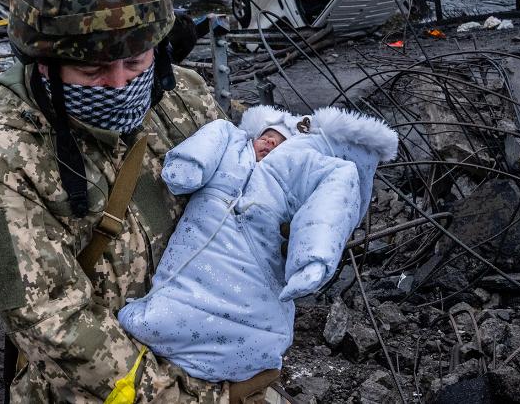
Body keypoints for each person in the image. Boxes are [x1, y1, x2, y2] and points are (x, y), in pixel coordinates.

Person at [0, 0, 283, 402]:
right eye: (92, 69)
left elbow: (249, 196)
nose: (120, 83)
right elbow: (55, 326)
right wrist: (199, 399)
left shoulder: (179, 97)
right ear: (43, 63)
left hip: (216, 357)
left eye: (136, 61)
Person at [117, 105, 399, 383]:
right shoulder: (230, 143)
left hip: (254, 261)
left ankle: (242, 361)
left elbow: (330, 202)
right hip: (197, 255)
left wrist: (314, 257)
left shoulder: (292, 170)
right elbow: (212, 137)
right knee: (175, 301)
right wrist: (189, 166)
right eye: (266, 135)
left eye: (279, 142)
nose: (269, 142)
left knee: (257, 316)